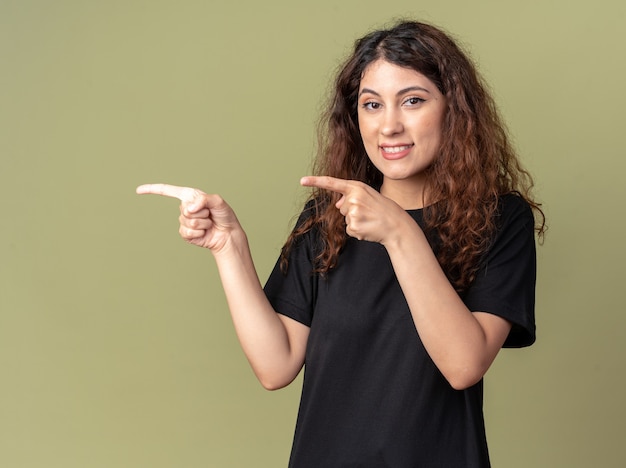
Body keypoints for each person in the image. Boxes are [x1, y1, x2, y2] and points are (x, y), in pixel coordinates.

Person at [137, 20, 545, 468]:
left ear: (454, 109)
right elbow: (276, 367)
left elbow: (463, 364)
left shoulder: (500, 219)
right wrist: (228, 245)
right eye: (372, 105)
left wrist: (399, 232)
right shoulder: (327, 216)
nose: (389, 125)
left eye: (412, 100)